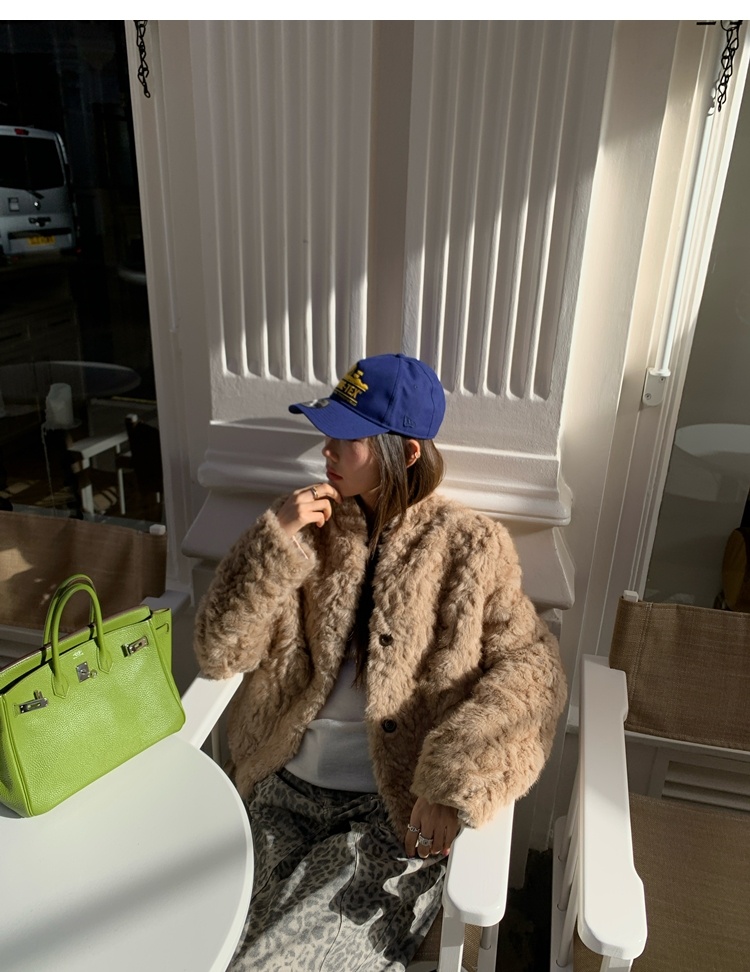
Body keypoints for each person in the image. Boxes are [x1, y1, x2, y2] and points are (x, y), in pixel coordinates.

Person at [193, 352, 567, 972]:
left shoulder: (470, 547)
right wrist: (272, 542)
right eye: (328, 431)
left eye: (349, 437)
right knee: (202, 948)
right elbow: (219, 650)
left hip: (385, 819)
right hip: (278, 794)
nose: (327, 449)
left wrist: (454, 782)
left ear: (406, 453)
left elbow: (534, 674)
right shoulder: (302, 528)